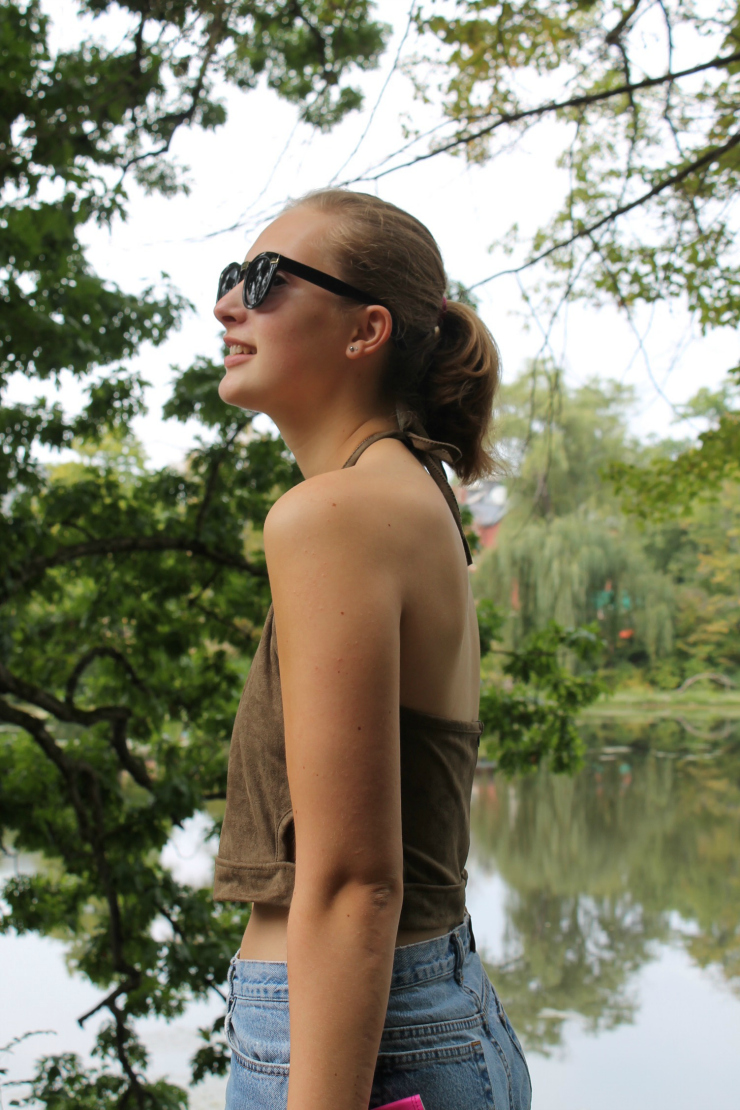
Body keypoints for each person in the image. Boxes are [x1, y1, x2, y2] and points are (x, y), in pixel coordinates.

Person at [212, 188, 531, 1110]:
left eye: (266, 280)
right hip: (426, 1022)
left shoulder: (334, 515)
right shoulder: (411, 492)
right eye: (232, 276)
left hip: (356, 1045)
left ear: (367, 331)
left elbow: (355, 882)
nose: (230, 303)